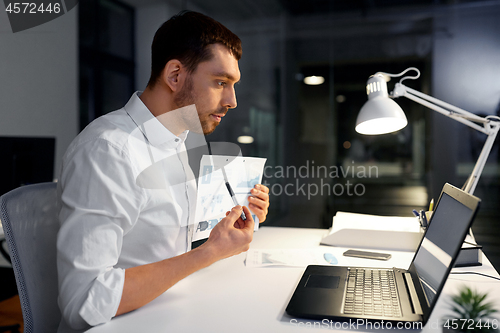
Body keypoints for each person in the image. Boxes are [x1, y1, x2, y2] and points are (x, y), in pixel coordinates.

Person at [56, 11, 270, 332]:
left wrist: (236, 218)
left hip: (170, 311)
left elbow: (165, 236)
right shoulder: (108, 150)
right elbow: (83, 302)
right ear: (174, 76)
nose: (232, 101)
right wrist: (207, 254)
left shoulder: (178, 138)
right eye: (220, 83)